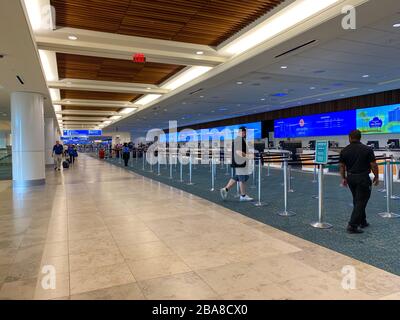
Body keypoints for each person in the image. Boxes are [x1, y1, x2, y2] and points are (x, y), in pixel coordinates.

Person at [339, 129, 379, 234]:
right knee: (361, 201)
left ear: (350, 138)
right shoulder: (367, 149)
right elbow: (373, 165)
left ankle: (362, 221)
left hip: (351, 178)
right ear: (360, 137)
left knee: (357, 200)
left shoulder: (344, 150)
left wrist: (343, 178)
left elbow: (342, 166)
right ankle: (352, 225)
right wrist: (376, 176)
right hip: (363, 178)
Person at [220, 126, 254, 202]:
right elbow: (238, 152)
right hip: (240, 163)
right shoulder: (239, 140)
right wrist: (248, 156)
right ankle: (243, 195)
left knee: (237, 177)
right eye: (243, 132)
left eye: (245, 132)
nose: (244, 134)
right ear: (240, 132)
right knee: (242, 179)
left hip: (239, 162)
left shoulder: (238, 140)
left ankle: (225, 189)